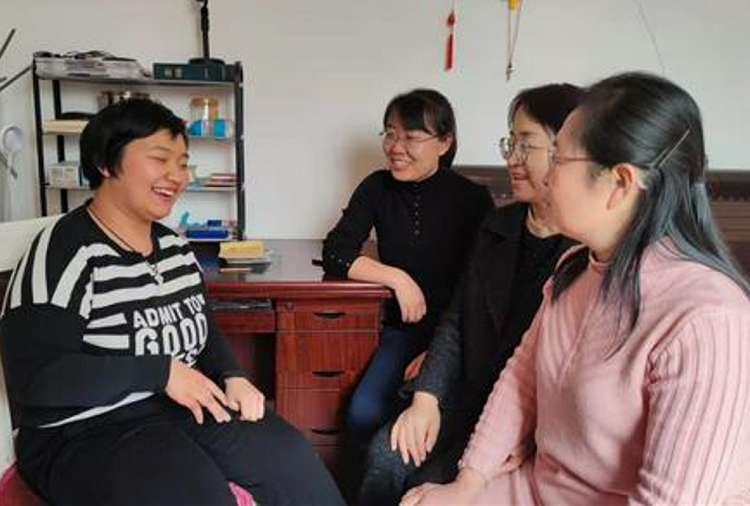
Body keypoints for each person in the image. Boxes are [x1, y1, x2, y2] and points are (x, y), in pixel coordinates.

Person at [401, 71, 750, 506]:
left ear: (619, 183)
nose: (545, 176)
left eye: (559, 159)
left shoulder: (707, 319)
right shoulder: (574, 269)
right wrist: (468, 484)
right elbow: (521, 380)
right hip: (538, 488)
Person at [0, 98, 345, 506]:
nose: (176, 176)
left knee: (291, 458)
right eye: (160, 158)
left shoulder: (174, 247)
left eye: (182, 163)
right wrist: (159, 372)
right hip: (85, 429)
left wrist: (232, 373)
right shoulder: (64, 253)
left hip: (179, 407)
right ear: (107, 163)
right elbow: (36, 378)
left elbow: (200, 324)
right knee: (200, 496)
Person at [356, 83, 583, 506]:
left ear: (567, 150)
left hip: (523, 419)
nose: (511, 158)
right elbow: (457, 321)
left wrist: (530, 436)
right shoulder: (498, 227)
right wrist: (426, 399)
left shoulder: (584, 252)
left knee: (430, 483)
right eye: (510, 142)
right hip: (463, 394)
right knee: (385, 457)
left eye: (525, 145)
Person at [322, 88, 494, 440]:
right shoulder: (376, 188)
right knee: (363, 415)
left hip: (458, 337)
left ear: (444, 143)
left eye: (411, 137)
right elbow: (336, 252)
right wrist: (397, 278)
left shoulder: (472, 199)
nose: (396, 147)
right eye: (390, 133)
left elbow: (480, 286)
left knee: (447, 422)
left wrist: (437, 356)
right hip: (402, 330)